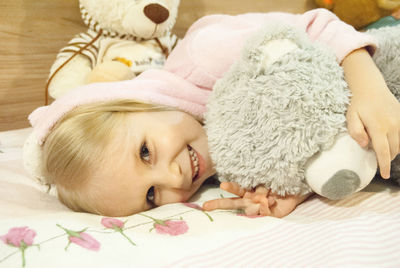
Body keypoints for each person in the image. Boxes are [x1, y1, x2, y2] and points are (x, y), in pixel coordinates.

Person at [24, 9, 400, 217]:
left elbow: (315, 25)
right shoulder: (216, 171)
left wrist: (369, 86)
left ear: (140, 100)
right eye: (152, 196)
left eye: (145, 152)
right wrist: (291, 190)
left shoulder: (203, 55)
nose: (173, 177)